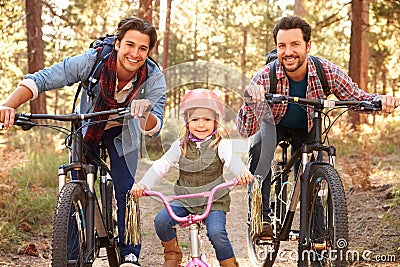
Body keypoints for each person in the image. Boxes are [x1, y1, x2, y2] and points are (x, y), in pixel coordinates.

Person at [0, 17, 166, 266]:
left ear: (148, 52)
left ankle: (130, 254)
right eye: (129, 45)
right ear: (118, 43)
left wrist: (144, 113)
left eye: (142, 48)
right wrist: (8, 106)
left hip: (124, 133)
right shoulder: (93, 60)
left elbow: (155, 126)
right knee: (74, 184)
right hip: (89, 125)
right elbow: (43, 79)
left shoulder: (153, 76)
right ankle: (71, 256)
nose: (135, 53)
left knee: (126, 189)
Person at [236, 16, 399, 237]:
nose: (288, 52)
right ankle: (261, 216)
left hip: (307, 126)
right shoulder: (265, 77)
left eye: (295, 44)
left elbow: (357, 97)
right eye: (282, 46)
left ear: (308, 46)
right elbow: (244, 129)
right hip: (272, 124)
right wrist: (250, 102)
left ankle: (318, 238)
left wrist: (381, 101)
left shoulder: (326, 71)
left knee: (311, 172)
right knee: (259, 149)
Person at [130, 89, 253, 267]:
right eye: (195, 120)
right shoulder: (180, 146)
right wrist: (143, 184)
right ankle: (172, 254)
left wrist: (241, 172)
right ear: (187, 122)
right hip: (185, 199)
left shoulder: (221, 145)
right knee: (162, 222)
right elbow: (161, 166)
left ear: (216, 122)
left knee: (217, 232)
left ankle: (229, 263)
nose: (201, 125)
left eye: (207, 120)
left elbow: (232, 160)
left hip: (213, 200)